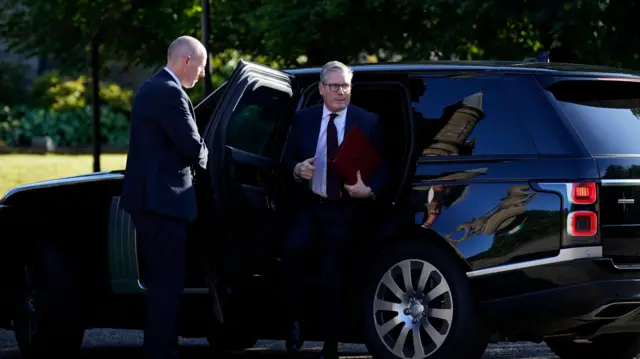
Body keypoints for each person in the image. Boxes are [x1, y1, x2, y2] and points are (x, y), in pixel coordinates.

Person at [280, 61, 388, 359]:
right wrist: (296, 169)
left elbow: (383, 167)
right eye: (334, 86)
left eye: (346, 86)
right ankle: (294, 321)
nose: (341, 92)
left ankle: (331, 345)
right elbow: (284, 160)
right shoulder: (303, 120)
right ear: (321, 89)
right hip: (309, 206)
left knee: (333, 277)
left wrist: (370, 190)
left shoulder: (367, 122)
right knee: (290, 256)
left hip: (345, 209)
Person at [120, 35, 209, 359]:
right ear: (187, 61)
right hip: (165, 203)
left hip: (152, 202)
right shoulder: (170, 93)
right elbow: (191, 146)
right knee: (167, 285)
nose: (200, 75)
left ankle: (159, 348)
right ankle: (162, 351)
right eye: (200, 67)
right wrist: (207, 153)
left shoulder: (151, 87)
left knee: (160, 283)